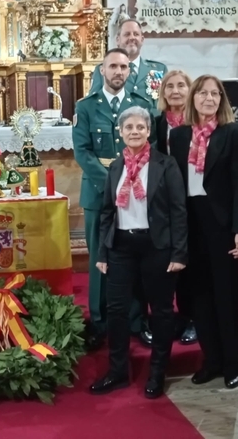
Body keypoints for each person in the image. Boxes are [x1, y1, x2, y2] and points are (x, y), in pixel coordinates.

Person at [91, 106, 187, 399]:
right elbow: (107, 212)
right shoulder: (116, 167)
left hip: (156, 246)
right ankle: (117, 372)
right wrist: (102, 253)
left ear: (148, 131)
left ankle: (158, 373)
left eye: (140, 127)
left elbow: (178, 212)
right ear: (120, 133)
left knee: (160, 310)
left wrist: (179, 253)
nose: (134, 131)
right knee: (117, 311)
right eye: (128, 127)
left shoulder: (165, 164)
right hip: (121, 246)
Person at [169, 74, 238, 389]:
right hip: (189, 222)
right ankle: (211, 360)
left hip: (221, 224)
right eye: (202, 93)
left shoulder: (232, 133)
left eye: (215, 94)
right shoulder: (178, 137)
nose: (208, 98)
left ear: (221, 100)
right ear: (192, 98)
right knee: (197, 296)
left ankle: (233, 362)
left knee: (226, 295)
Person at [73, 48, 152, 349]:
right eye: (113, 67)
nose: (119, 71)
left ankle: (136, 320)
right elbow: (82, 151)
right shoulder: (87, 107)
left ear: (129, 71)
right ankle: (100, 321)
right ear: (102, 70)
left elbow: (149, 147)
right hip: (98, 194)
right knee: (99, 259)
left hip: (137, 196)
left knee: (135, 258)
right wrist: (112, 183)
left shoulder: (141, 105)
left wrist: (132, 182)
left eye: (123, 67)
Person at [154, 69, 197, 346]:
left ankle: (193, 318)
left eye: (182, 85)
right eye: (170, 86)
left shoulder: (198, 122)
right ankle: (174, 318)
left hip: (193, 198)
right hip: (164, 200)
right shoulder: (157, 123)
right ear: (163, 93)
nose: (176, 91)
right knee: (168, 262)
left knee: (191, 263)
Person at [88, 19, 167, 119]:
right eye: (127, 34)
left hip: (152, 128)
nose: (132, 37)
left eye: (136, 34)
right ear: (118, 40)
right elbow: (93, 103)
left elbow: (166, 104)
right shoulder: (103, 70)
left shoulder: (159, 69)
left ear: (142, 39)